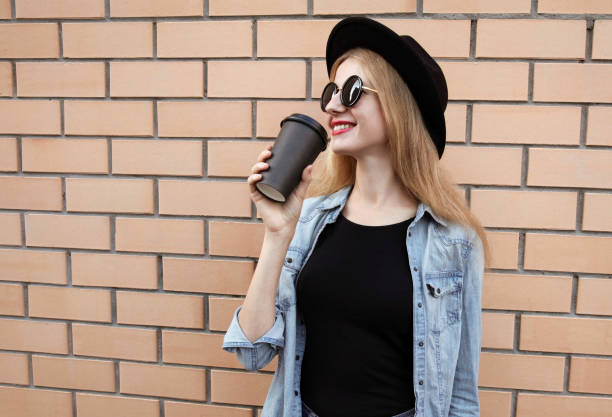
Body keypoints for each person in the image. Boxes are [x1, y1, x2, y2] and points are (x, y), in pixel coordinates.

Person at [223, 16, 490, 417]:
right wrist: (277, 233)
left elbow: (461, 396)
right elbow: (253, 352)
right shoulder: (309, 220)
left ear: (400, 106)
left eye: (351, 91)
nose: (332, 105)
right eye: (331, 90)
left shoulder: (454, 240)